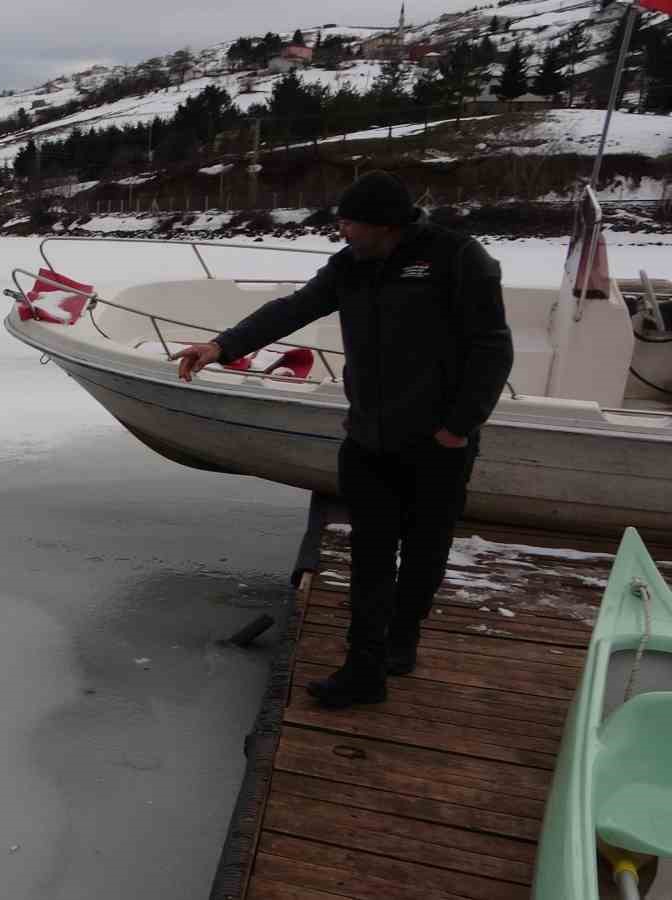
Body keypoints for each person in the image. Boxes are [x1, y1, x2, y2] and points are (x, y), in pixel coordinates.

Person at [174, 172, 514, 709]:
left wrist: (459, 426)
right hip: (368, 438)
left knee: (426, 551)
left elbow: (492, 348)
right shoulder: (350, 265)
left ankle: (402, 641)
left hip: (437, 442)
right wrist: (221, 345)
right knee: (371, 555)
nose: (341, 229)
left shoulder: (457, 258)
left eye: (350, 221)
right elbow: (294, 308)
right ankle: (364, 667)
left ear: (385, 224)